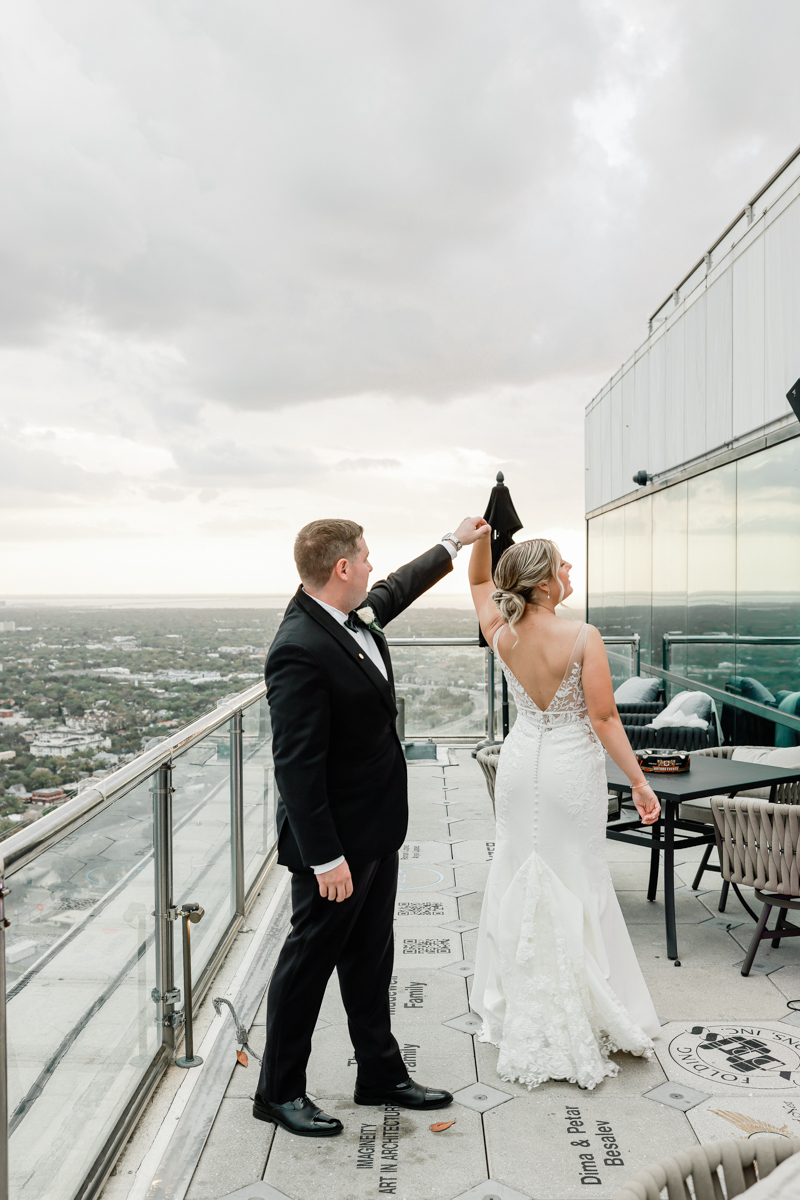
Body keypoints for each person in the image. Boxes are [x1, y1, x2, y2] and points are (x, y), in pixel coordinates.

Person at [254, 515, 491, 1136]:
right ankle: (277, 1092)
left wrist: (453, 542)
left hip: (377, 831)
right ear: (341, 568)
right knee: (307, 966)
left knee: (369, 961)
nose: (371, 566)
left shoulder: (348, 615)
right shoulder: (298, 647)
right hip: (335, 847)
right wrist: (325, 857)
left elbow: (396, 588)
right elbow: (296, 767)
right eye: (364, 557)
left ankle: (379, 1074)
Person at [468, 532, 661, 1091]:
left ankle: (519, 1001)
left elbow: (479, 580)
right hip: (570, 771)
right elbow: (604, 719)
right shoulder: (583, 636)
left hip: (520, 764)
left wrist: (480, 538)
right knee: (578, 873)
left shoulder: (501, 631)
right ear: (543, 583)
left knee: (517, 868)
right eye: (561, 563)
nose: (569, 566)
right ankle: (587, 1003)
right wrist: (640, 782)